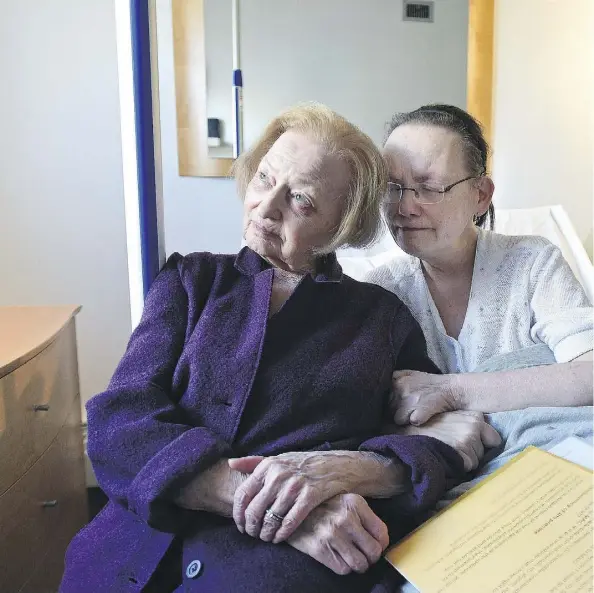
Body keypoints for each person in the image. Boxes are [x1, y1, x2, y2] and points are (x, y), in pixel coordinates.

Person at [60, 104, 492, 593]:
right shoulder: (191, 280)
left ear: (341, 225)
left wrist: (347, 474)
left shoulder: (379, 318)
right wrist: (272, 505)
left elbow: (433, 446)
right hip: (131, 553)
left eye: (301, 201)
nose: (266, 207)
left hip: (270, 574)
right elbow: (119, 422)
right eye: (264, 178)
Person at [364, 104, 593, 427]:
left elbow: (589, 372)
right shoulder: (380, 293)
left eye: (429, 188)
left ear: (480, 195)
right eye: (392, 187)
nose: (404, 207)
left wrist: (453, 390)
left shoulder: (533, 264)